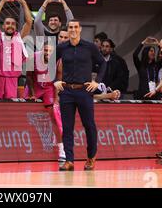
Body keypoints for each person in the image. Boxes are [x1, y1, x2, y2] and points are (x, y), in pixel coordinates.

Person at [54, 19, 106, 171]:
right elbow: (50, 63)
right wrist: (54, 81)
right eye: (70, 27)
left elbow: (103, 63)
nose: (73, 30)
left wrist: (98, 82)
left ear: (80, 29)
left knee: (89, 125)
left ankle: (91, 157)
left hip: (85, 91)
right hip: (67, 92)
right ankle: (69, 160)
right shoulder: (62, 47)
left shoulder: (89, 47)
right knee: (67, 127)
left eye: (75, 27)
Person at [0, 0, 33, 99]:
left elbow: (29, 21)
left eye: (13, 24)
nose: (10, 26)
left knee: (9, 109)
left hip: (13, 79)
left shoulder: (19, 37)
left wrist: (23, 2)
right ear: (3, 26)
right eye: (7, 23)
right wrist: (4, 0)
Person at [26, 43, 65, 161]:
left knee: (54, 115)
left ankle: (61, 149)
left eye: (51, 51)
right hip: (35, 86)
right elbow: (28, 76)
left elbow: (59, 81)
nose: (48, 53)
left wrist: (56, 99)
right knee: (26, 110)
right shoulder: (32, 58)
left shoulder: (58, 62)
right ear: (42, 50)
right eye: (46, 50)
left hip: (49, 88)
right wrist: (32, 93)